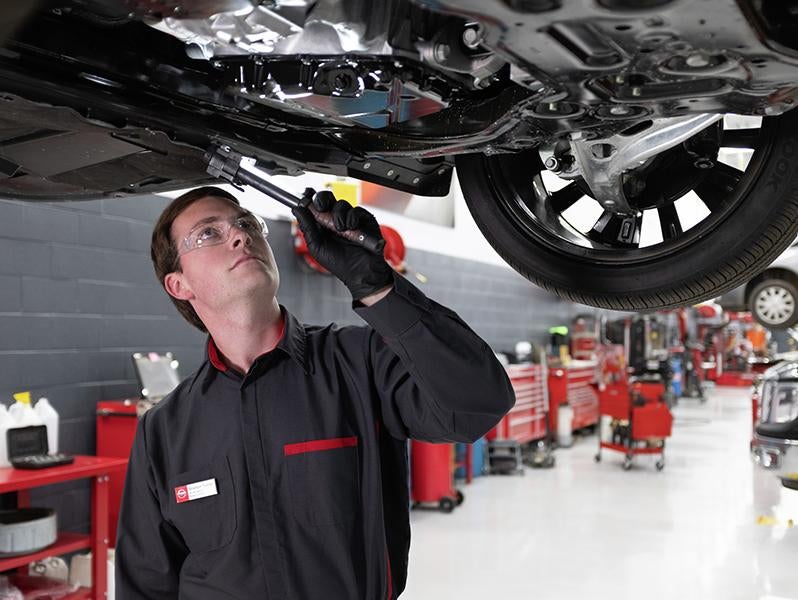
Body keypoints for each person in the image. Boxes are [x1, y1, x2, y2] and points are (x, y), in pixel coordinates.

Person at [115, 185, 515, 599]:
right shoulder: (164, 431)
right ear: (179, 285)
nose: (239, 235)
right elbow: (145, 584)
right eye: (208, 234)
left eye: (246, 223)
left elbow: (478, 404)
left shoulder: (360, 363)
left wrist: (378, 287)